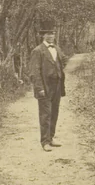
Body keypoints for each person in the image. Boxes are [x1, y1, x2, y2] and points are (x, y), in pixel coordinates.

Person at [27, 20, 66, 152]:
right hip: (45, 86)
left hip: (57, 85)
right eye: (48, 34)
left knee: (55, 112)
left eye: (53, 34)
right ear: (43, 36)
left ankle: (51, 137)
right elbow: (34, 72)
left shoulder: (57, 48)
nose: (51, 36)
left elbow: (62, 61)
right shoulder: (38, 51)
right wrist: (40, 88)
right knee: (45, 114)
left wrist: (58, 73)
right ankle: (45, 142)